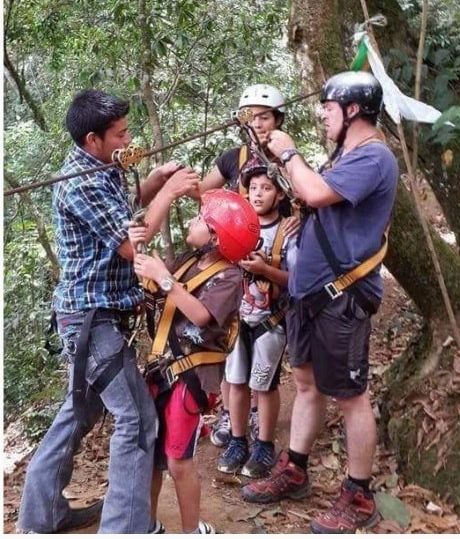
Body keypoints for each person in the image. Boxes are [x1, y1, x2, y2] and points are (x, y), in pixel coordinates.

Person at [17, 88, 200, 534]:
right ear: (92, 139)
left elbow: (121, 209)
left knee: (80, 413)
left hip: (94, 318)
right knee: (137, 418)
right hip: (90, 320)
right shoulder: (78, 182)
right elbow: (129, 242)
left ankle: (41, 516)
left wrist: (155, 181)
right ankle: (125, 528)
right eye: (121, 133)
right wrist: (170, 194)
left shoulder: (103, 169)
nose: (129, 138)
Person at [242, 71, 399, 534]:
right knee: (307, 383)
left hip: (342, 296)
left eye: (328, 109)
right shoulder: (345, 153)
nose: (323, 116)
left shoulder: (374, 157)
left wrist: (288, 151)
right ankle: (294, 468)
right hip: (310, 294)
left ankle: (358, 495)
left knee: (351, 397)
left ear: (352, 111)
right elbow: (315, 201)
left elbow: (314, 191)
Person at [130, 189, 260, 534]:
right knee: (153, 460)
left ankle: (189, 530)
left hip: (190, 379)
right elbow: (155, 288)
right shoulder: (187, 261)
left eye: (201, 218)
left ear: (216, 237)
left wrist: (164, 279)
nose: (192, 220)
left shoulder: (229, 276)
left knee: (178, 461)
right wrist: (142, 258)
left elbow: (201, 315)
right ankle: (147, 524)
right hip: (161, 370)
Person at [200, 84, 296, 449]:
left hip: (275, 254)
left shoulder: (286, 154)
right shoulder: (233, 159)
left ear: (277, 119)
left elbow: (302, 196)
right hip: (234, 259)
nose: (257, 123)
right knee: (231, 345)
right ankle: (232, 415)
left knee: (262, 349)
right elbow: (205, 193)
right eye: (250, 117)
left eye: (264, 116)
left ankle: (258, 419)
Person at [216, 156, 297, 478]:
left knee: (264, 385)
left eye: (267, 187)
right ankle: (238, 440)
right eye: (253, 188)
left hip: (270, 320)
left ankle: (264, 444)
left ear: (279, 194)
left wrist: (265, 270)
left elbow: (297, 280)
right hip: (237, 319)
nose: (259, 193)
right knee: (235, 382)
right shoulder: (234, 226)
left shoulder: (289, 231)